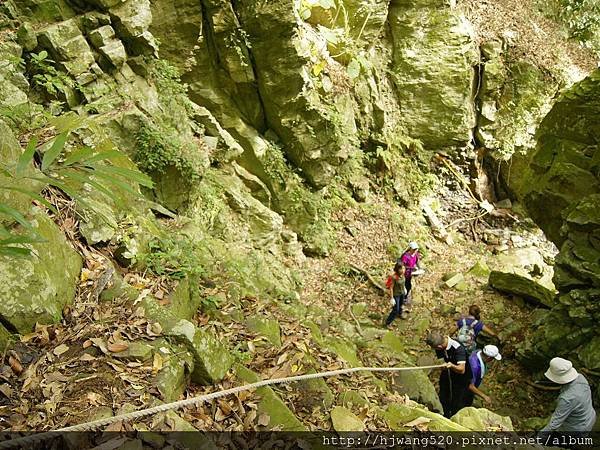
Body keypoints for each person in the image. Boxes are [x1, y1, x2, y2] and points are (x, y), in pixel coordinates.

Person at [539, 358, 596, 433]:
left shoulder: (567, 399)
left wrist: (540, 436)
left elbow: (555, 423)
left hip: (575, 429)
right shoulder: (581, 378)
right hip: (589, 417)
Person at [426, 331, 472, 418]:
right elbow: (441, 359)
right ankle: (444, 413)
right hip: (448, 373)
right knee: (444, 395)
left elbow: (462, 369)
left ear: (439, 346)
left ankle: (455, 417)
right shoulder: (439, 345)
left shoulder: (458, 348)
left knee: (458, 400)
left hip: (461, 378)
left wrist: (451, 366)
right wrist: (443, 365)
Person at [399, 242, 420, 309]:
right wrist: (411, 268)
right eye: (414, 249)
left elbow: (417, 262)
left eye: (416, 249)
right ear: (410, 248)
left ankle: (404, 298)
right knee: (404, 286)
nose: (415, 250)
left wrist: (419, 268)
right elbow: (402, 266)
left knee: (408, 286)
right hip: (404, 274)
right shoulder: (405, 256)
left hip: (410, 274)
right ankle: (400, 300)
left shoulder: (416, 254)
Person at [384, 262, 407, 326]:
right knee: (395, 309)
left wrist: (404, 288)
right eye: (400, 269)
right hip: (396, 295)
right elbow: (391, 288)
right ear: (397, 269)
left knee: (401, 305)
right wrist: (392, 298)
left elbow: (403, 282)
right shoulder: (394, 277)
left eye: (403, 268)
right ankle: (388, 323)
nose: (402, 270)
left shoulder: (402, 275)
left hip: (402, 293)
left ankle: (400, 314)